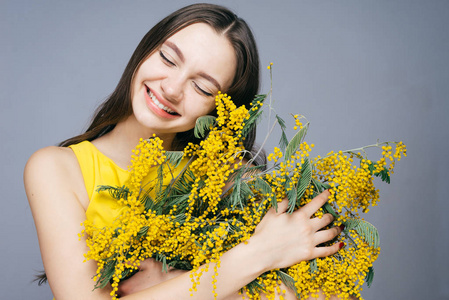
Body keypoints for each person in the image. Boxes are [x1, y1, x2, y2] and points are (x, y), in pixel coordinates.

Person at [24, 3, 348, 300]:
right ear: (146, 50)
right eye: (168, 58)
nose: (171, 88)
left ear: (221, 109)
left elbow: (325, 294)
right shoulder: (56, 169)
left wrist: (168, 281)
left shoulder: (231, 178)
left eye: (202, 86)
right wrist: (259, 253)